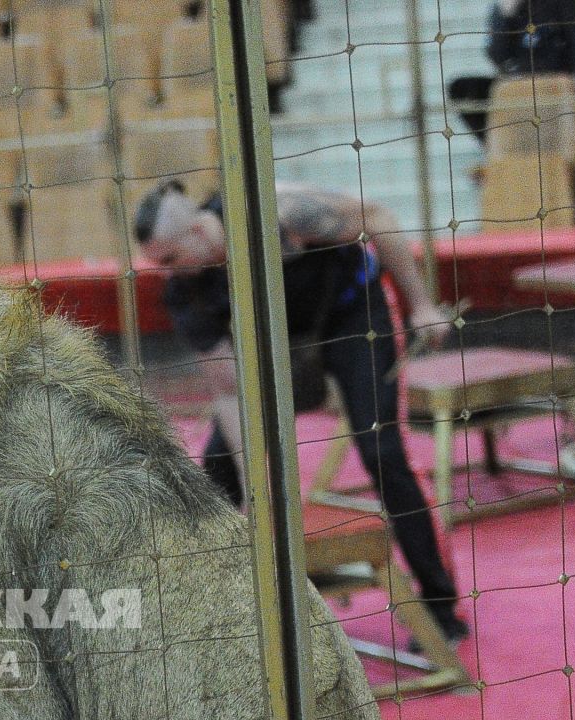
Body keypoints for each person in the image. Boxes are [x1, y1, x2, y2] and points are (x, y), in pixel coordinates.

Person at [134, 180, 469, 644]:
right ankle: (221, 608)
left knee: (383, 452)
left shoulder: (278, 212)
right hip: (279, 344)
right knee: (217, 468)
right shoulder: (186, 293)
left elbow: (378, 217)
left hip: (353, 316)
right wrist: (258, 491)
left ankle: (439, 605)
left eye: (169, 259)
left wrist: (421, 304)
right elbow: (231, 393)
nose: (165, 273)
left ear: (196, 231)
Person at [448, 0, 575, 144]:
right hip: (519, 86)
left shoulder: (566, 4)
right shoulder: (505, 8)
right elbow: (498, 56)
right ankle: (500, 149)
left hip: (560, 84)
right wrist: (506, 15)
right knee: (462, 88)